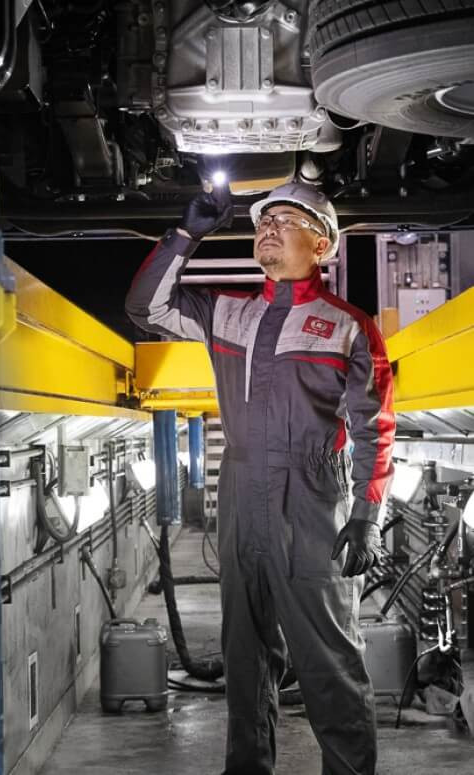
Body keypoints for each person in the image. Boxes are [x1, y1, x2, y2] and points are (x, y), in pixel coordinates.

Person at [125, 182, 395, 775]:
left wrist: (366, 517)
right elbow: (145, 308)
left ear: (320, 244)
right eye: (263, 219)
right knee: (244, 655)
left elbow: (376, 427)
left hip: (312, 500)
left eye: (286, 219)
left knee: (328, 660)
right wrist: (185, 234)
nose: (266, 227)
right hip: (241, 489)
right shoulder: (228, 310)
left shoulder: (349, 325)